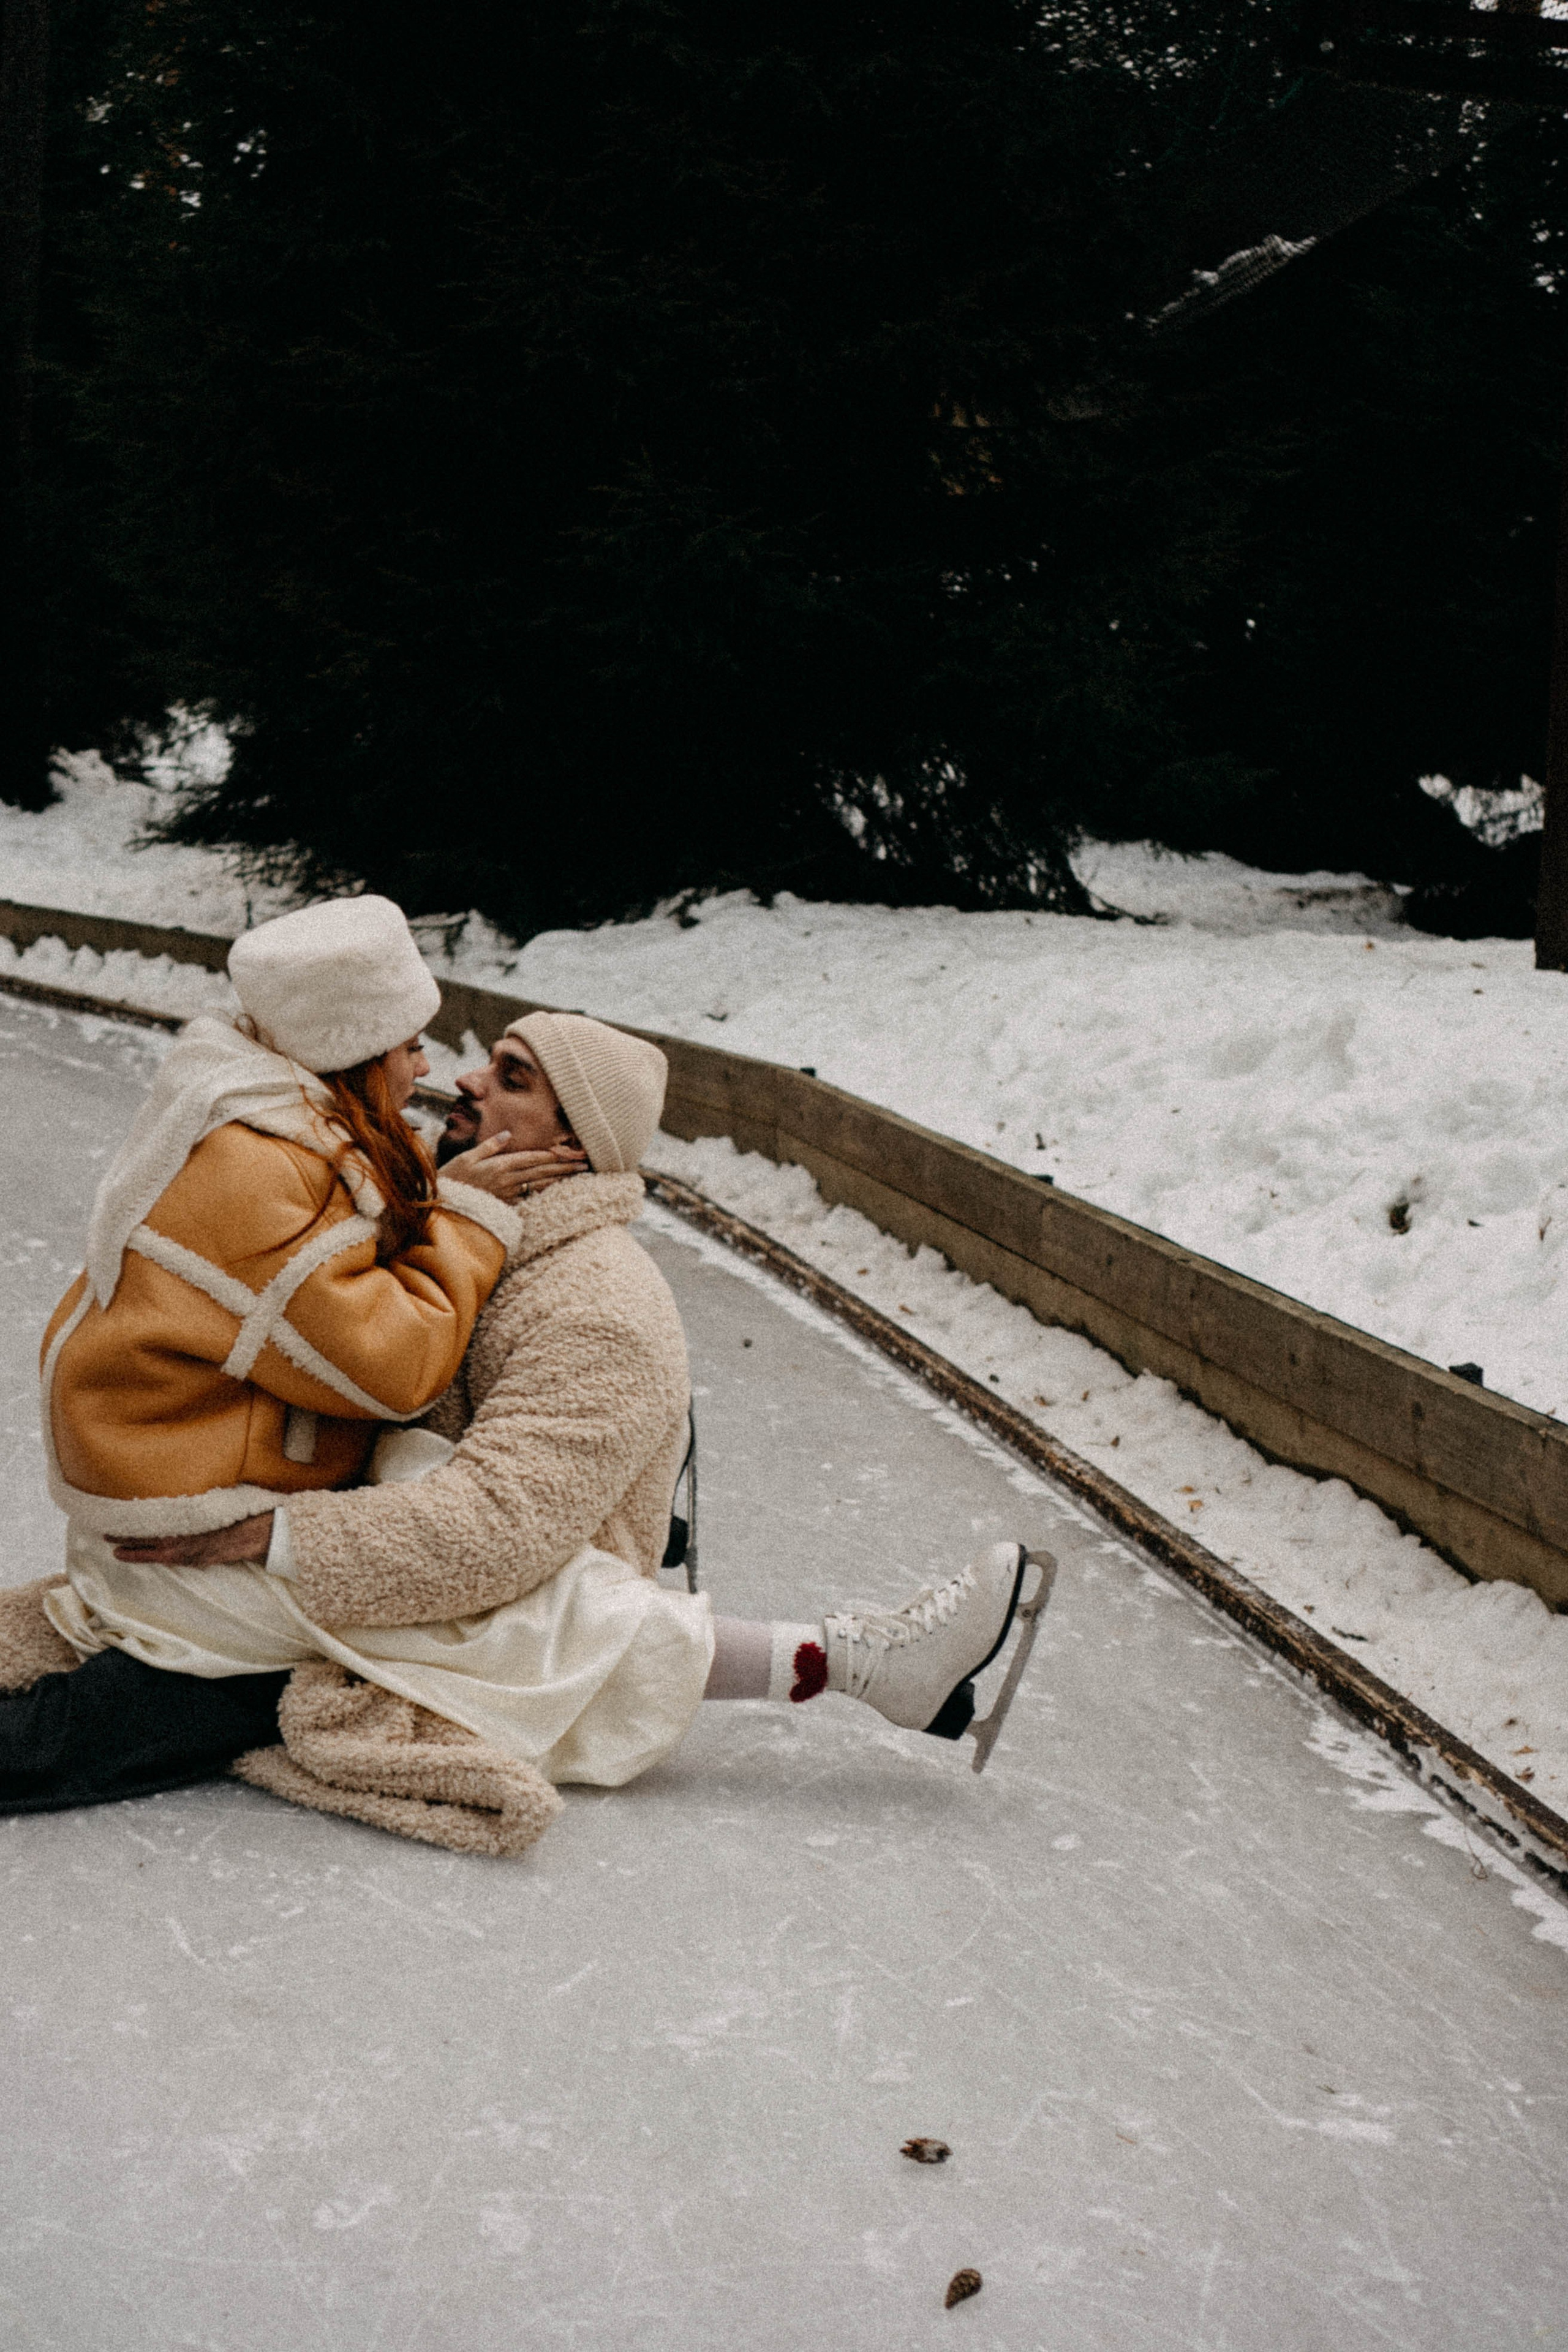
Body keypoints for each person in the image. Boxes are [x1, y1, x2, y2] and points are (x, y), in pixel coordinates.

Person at [1, 1010, 1049, 1847]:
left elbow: (493, 1533)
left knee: (145, 1696)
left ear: (568, 1144)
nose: (462, 1079)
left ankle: (860, 1661)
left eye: (510, 1078)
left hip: (474, 1582)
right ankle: (861, 1661)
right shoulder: (457, 1215)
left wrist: (269, 1537)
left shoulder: (597, 1309)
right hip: (383, 1543)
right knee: (134, 1615)